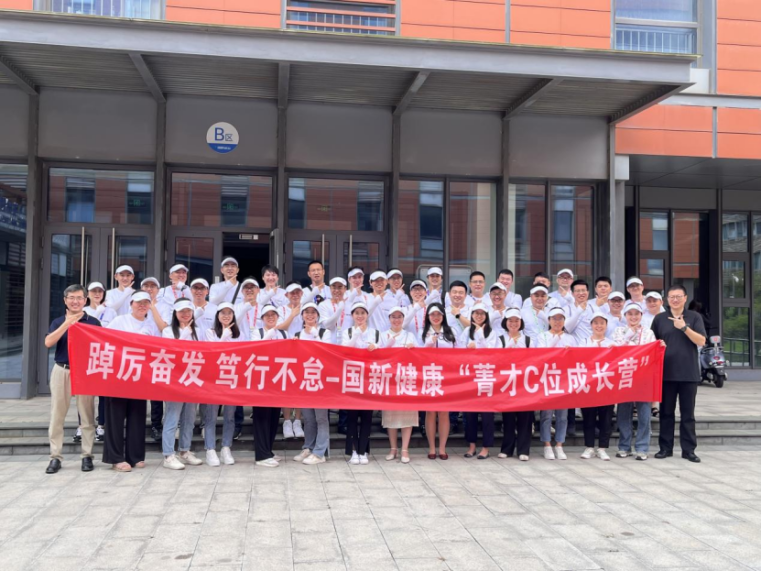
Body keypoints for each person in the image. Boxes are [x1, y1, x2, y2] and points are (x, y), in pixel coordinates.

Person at [44, 284, 101, 474]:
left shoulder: (93, 322)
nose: (75, 301)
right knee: (57, 415)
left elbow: (101, 347)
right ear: (65, 300)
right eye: (71, 298)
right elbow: (48, 342)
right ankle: (55, 457)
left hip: (85, 372)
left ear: (85, 300)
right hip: (62, 370)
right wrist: (67, 324)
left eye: (79, 298)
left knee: (87, 415)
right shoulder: (58, 321)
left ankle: (87, 455)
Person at [104, 292, 159, 472]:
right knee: (116, 417)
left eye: (146, 303)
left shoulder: (152, 324)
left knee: (137, 416)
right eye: (138, 302)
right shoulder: (119, 321)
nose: (142, 306)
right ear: (131, 304)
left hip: (140, 377)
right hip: (118, 375)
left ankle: (135, 456)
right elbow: (103, 339)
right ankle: (116, 458)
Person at [651, 285, 707, 463]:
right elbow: (651, 343)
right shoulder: (660, 319)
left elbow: (701, 341)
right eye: (672, 297)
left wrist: (684, 328)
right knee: (666, 413)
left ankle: (689, 450)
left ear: (685, 298)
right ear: (667, 299)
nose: (675, 300)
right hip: (666, 373)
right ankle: (665, 448)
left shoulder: (694, 317)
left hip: (688, 374)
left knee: (688, 415)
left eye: (678, 296)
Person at [161, 299, 204, 470]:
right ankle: (168, 454)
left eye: (188, 311)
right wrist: (185, 334)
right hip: (175, 380)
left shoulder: (198, 331)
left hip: (192, 378)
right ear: (175, 313)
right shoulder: (168, 331)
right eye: (181, 311)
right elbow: (171, 351)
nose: (185, 314)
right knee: (173, 417)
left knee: (189, 418)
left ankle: (185, 450)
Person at [614, 301, 658, 461]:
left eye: (636, 314)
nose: (633, 317)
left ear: (641, 315)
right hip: (624, 376)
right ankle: (624, 446)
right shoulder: (619, 331)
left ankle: (642, 447)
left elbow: (650, 350)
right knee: (623, 413)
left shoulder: (648, 332)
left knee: (644, 413)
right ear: (625, 316)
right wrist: (629, 334)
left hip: (643, 376)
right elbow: (618, 349)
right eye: (630, 314)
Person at [204, 302, 246, 467]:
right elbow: (212, 353)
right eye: (223, 313)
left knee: (230, 416)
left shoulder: (239, 334)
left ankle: (226, 447)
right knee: (211, 417)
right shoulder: (210, 332)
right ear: (217, 315)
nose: (226, 316)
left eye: (229, 313)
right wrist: (223, 338)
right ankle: (210, 449)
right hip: (213, 380)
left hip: (232, 380)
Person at [292, 302, 333, 465]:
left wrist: (315, 334)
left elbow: (326, 351)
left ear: (318, 315)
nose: (310, 315)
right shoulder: (297, 334)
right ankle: (308, 447)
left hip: (320, 381)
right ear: (302, 315)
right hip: (304, 381)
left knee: (321, 418)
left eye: (313, 312)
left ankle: (320, 452)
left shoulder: (325, 333)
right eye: (306, 312)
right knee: (308, 418)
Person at [460, 303, 502, 460]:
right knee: (470, 414)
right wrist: (467, 349)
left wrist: (480, 337)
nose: (479, 316)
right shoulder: (466, 331)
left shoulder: (492, 333)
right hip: (470, 377)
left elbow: (492, 353)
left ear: (486, 316)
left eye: (482, 313)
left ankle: (486, 447)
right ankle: (471, 446)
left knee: (487, 414)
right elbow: (457, 351)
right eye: (476, 313)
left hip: (486, 377)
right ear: (471, 315)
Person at [535, 307, 575, 460]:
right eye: (554, 318)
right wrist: (556, 341)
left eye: (560, 319)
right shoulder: (542, 336)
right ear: (549, 320)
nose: (557, 322)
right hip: (547, 378)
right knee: (546, 414)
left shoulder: (570, 338)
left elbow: (577, 358)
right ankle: (547, 445)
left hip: (564, 379)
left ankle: (559, 444)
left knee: (562, 415)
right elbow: (541, 355)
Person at [341, 302, 379, 465]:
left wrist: (376, 346)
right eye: (356, 313)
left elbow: (383, 351)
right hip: (352, 378)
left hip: (369, 378)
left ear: (367, 315)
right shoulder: (348, 332)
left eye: (363, 313)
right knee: (351, 417)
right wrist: (357, 333)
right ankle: (353, 451)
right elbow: (345, 349)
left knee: (366, 417)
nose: (360, 316)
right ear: (352, 315)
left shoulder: (375, 333)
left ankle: (363, 451)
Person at [251, 304, 289, 467]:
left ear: (278, 317)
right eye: (267, 315)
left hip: (277, 379)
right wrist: (270, 333)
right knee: (261, 417)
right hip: (261, 381)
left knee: (273, 416)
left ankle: (268, 450)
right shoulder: (257, 333)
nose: (271, 317)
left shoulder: (284, 333)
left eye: (273, 315)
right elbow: (256, 350)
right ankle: (261, 455)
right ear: (262, 318)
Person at [380, 306, 418, 464]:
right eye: (393, 317)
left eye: (399, 317)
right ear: (389, 319)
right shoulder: (383, 335)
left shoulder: (410, 335)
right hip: (389, 380)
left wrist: (412, 349)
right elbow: (378, 355)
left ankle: (405, 449)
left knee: (407, 416)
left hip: (406, 380)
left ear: (403, 319)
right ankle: (393, 448)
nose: (396, 320)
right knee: (390, 416)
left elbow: (419, 356)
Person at [420, 302, 458, 460]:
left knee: (444, 412)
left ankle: (442, 448)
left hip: (446, 376)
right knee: (430, 412)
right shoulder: (422, 332)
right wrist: (428, 344)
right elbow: (416, 354)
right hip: (428, 376)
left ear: (443, 316)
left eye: (438, 314)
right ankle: (431, 448)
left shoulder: (451, 332)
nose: (435, 317)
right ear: (428, 316)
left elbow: (459, 354)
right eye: (432, 314)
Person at [580, 312, 615, 461]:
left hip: (607, 386)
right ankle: (589, 447)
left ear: (606, 325)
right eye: (596, 323)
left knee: (605, 418)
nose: (599, 326)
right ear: (591, 325)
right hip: (588, 386)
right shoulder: (583, 342)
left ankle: (602, 448)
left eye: (602, 323)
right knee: (588, 417)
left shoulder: (612, 344)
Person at [498, 308, 532, 462]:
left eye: (516, 320)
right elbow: (495, 359)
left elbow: (536, 359)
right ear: (505, 322)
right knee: (508, 418)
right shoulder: (500, 339)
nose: (513, 323)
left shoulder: (528, 340)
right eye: (510, 320)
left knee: (525, 417)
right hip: (507, 384)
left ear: (521, 322)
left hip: (525, 384)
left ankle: (524, 449)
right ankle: (507, 449)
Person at [84, 281, 115, 442]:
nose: (97, 294)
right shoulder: (83, 311)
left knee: (104, 394)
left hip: (105, 356)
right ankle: (83, 425)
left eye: (100, 291)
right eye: (93, 291)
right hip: (87, 356)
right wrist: (96, 314)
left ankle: (101, 425)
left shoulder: (111, 311)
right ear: (88, 294)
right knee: (85, 395)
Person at [140, 276, 168, 441]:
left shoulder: (165, 306)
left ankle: (156, 426)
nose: (149, 289)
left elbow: (164, 327)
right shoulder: (134, 303)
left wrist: (152, 308)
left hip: (159, 353)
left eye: (152, 286)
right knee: (138, 389)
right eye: (146, 286)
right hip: (139, 352)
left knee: (157, 391)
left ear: (158, 290)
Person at [276, 282, 305, 439]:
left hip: (303, 351)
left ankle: (297, 421)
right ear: (286, 295)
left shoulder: (307, 308)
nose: (295, 295)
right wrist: (293, 314)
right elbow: (279, 328)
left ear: (301, 293)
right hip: (285, 351)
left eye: (297, 292)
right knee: (286, 386)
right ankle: (287, 421)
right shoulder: (281, 310)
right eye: (292, 293)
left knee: (300, 386)